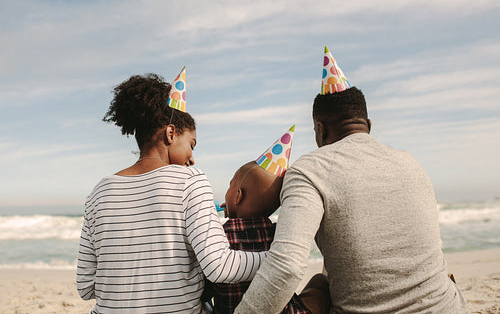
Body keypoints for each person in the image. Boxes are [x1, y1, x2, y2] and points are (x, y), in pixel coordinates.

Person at [235, 49, 467, 313]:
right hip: (448, 307)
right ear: (367, 124)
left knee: (319, 282)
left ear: (320, 129)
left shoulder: (310, 169)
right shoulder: (411, 162)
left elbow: (287, 266)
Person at [76, 73, 266, 314]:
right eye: (191, 144)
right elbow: (221, 268)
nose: (192, 157)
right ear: (170, 133)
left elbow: (85, 287)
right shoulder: (190, 180)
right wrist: (280, 256)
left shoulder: (98, 192)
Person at [206, 160, 331, 314]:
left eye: (230, 185)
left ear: (238, 196)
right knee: (320, 281)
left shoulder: (219, 235)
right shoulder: (280, 234)